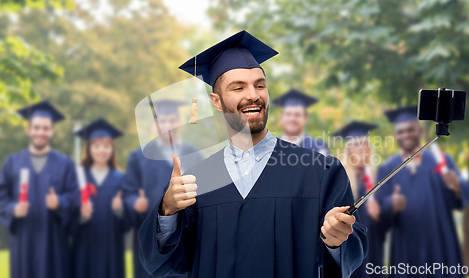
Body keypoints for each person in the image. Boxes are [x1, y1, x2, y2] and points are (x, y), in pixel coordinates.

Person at [137, 30, 367, 278]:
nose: (253, 95)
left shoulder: (319, 171)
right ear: (216, 101)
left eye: (260, 85)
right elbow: (172, 263)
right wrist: (168, 210)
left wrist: (337, 240)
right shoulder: (198, 181)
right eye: (238, 87)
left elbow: (351, 255)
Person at [376, 106, 469, 278]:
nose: (406, 135)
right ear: (395, 135)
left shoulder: (440, 160)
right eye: (401, 131)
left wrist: (457, 185)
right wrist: (391, 204)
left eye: (410, 129)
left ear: (419, 130)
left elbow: (462, 194)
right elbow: (380, 212)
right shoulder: (388, 169)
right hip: (405, 245)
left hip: (439, 240)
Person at [122, 100, 203, 278]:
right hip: (151, 238)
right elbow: (127, 194)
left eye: (172, 119)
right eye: (162, 121)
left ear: (179, 121)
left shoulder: (195, 154)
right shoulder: (139, 157)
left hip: (184, 238)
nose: (167, 125)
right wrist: (134, 202)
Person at [0, 100, 80, 278]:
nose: (40, 132)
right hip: (23, 242)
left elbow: (75, 198)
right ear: (28, 129)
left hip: (54, 243)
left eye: (45, 128)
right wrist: (13, 209)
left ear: (52, 130)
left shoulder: (65, 164)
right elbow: (1, 197)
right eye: (36, 127)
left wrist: (60, 202)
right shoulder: (12, 163)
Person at [71, 118, 131, 278]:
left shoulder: (121, 179)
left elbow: (128, 222)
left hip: (111, 248)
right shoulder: (78, 179)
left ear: (112, 149)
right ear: (89, 149)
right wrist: (81, 216)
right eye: (96, 146)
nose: (101, 150)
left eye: (106, 146)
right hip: (84, 248)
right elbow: (67, 218)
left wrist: (120, 210)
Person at [334, 121, 387, 278]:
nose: (361, 148)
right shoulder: (341, 177)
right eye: (356, 144)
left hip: (374, 243)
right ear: (349, 150)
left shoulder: (378, 176)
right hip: (350, 243)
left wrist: (381, 214)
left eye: (363, 144)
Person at [273, 89, 329, 155]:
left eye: (297, 115)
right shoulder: (271, 147)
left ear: (305, 118)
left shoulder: (317, 148)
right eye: (288, 114)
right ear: (281, 118)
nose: (292, 119)